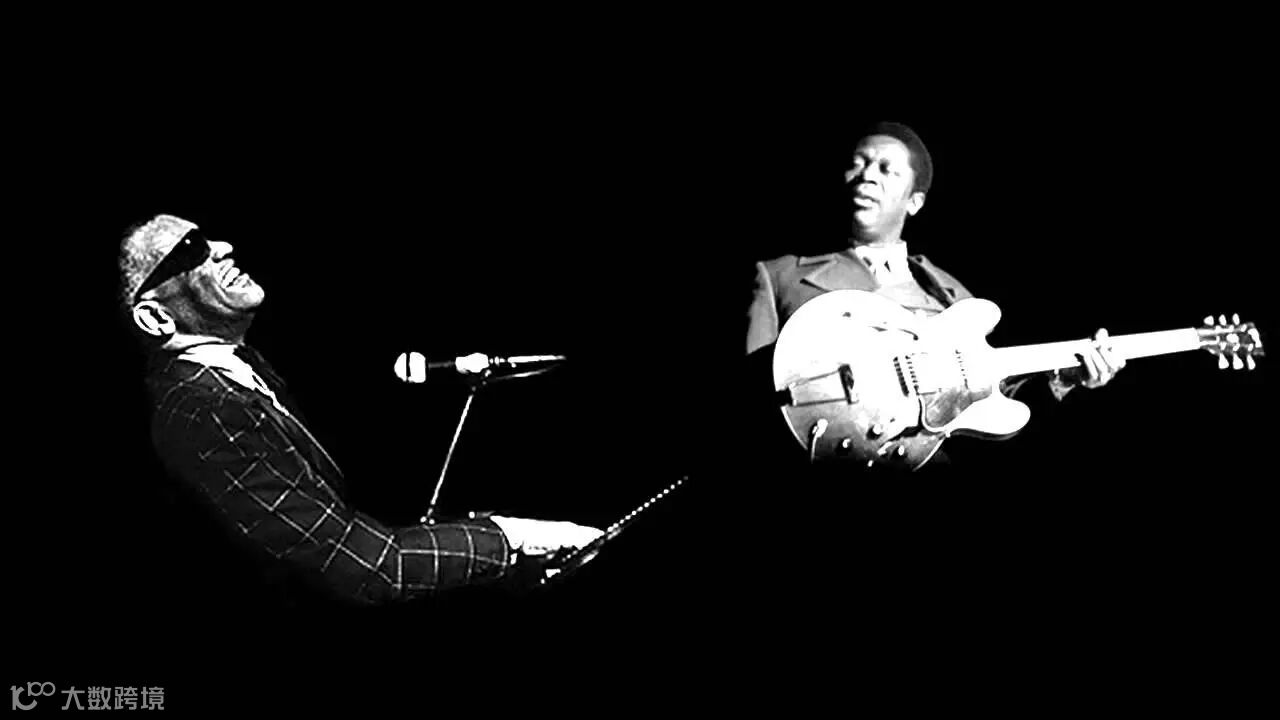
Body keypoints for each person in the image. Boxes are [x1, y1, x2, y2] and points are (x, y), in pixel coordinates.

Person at [119, 213, 602, 612]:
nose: (223, 247)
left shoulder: (239, 370)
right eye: (190, 250)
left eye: (208, 237)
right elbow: (361, 569)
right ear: (155, 317)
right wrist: (511, 538)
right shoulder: (204, 412)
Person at [745, 121, 1126, 470]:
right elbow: (744, 398)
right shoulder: (778, 275)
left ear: (914, 202)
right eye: (857, 164)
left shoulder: (954, 299)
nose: (867, 176)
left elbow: (988, 405)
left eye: (886, 170)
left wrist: (1064, 380)